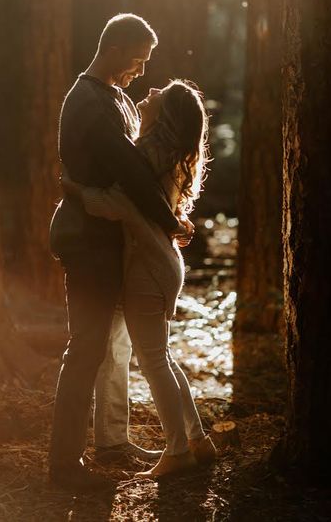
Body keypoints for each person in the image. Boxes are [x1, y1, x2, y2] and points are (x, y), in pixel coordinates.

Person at [48, 14, 190, 492]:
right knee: (86, 348)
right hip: (87, 242)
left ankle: (113, 442)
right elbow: (130, 171)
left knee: (115, 346)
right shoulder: (88, 101)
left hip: (112, 244)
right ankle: (64, 464)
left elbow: (141, 169)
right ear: (114, 48)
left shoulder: (117, 98)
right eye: (137, 59)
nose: (140, 70)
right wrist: (169, 223)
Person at [63, 79, 217, 478]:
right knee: (161, 356)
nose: (148, 93)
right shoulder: (165, 156)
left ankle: (178, 449)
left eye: (158, 95)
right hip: (162, 263)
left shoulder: (148, 155)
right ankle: (198, 439)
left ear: (164, 114)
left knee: (153, 361)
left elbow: (119, 204)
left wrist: (76, 191)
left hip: (148, 268)